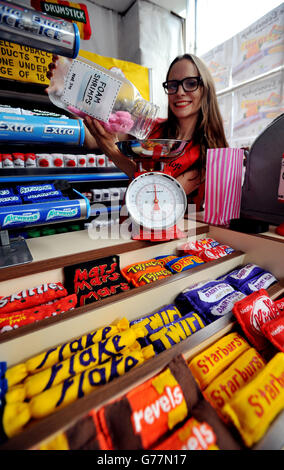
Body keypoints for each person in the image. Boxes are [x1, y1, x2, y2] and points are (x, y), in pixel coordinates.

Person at [83, 53, 228, 211]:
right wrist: (66, 94)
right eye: (173, 85)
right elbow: (90, 139)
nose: (179, 92)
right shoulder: (150, 127)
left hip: (179, 232)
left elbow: (159, 195)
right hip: (131, 227)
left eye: (191, 83)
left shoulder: (211, 152)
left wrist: (112, 151)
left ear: (205, 88)